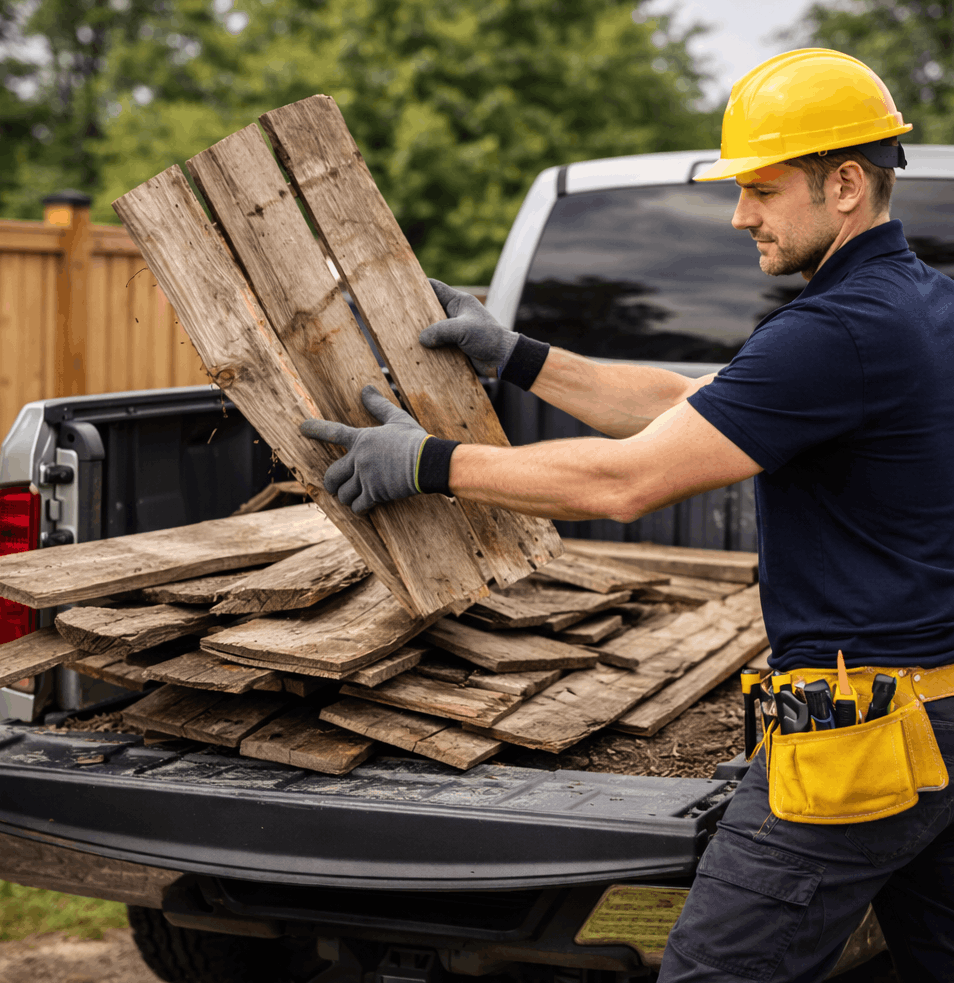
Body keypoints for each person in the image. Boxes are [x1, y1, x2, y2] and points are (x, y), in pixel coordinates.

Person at [300, 48, 954, 981]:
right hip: (939, 723)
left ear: (844, 183)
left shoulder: (836, 332)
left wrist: (428, 463)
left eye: (762, 189)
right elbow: (684, 402)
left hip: (859, 744)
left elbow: (624, 482)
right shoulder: (921, 307)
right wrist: (517, 355)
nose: (742, 215)